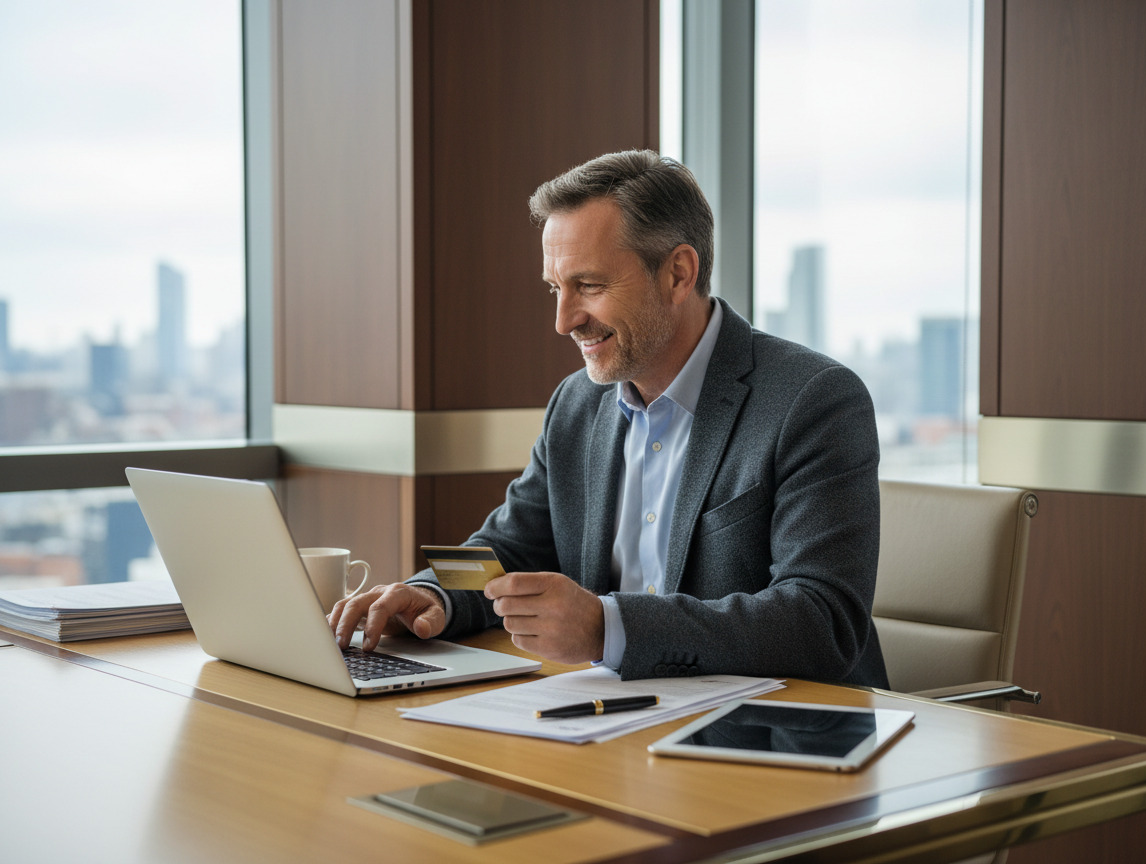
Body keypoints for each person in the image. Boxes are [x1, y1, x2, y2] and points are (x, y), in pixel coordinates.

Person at [331, 150, 888, 687]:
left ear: (677, 274)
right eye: (556, 288)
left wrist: (607, 627)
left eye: (589, 286)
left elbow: (821, 621)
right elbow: (509, 547)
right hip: (615, 718)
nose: (563, 320)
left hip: (781, 736)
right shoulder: (577, 402)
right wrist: (432, 593)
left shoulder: (813, 400)